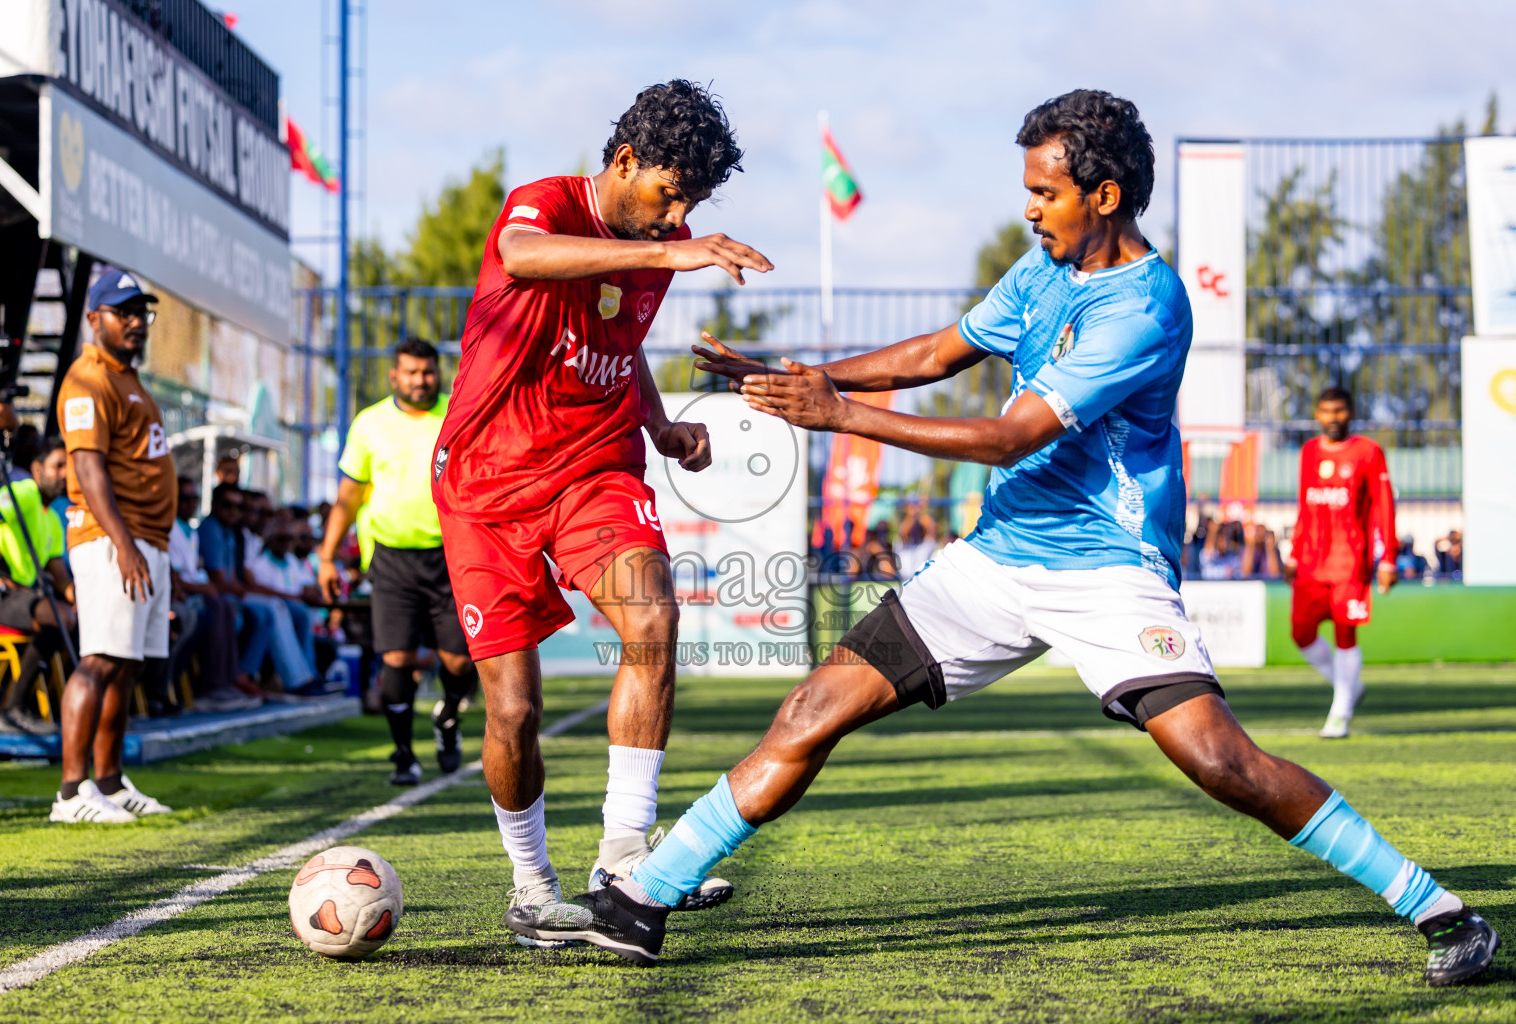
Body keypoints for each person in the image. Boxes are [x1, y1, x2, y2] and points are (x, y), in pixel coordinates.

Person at [506, 90, 1499, 987]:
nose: (1030, 209)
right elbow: (937, 353)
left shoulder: (1145, 306)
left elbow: (1011, 434)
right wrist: (799, 374)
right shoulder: (1043, 267)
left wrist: (837, 415)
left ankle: (1438, 908)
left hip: (1106, 574)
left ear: (1105, 196)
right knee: (812, 709)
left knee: (1221, 762)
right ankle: (641, 903)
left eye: (1045, 192)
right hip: (994, 561)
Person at [430, 80, 773, 933]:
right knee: (514, 708)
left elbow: (620, 338)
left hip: (594, 468)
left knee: (653, 620)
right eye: (668, 194)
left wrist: (659, 425)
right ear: (624, 161)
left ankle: (625, 857)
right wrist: (666, 257)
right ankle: (531, 884)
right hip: (486, 483)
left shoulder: (660, 238)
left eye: (691, 206)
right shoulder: (547, 204)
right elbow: (522, 255)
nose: (676, 219)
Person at [316, 338, 477, 785]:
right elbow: (347, 498)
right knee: (396, 659)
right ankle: (404, 755)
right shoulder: (369, 424)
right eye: (411, 372)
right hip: (390, 559)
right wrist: (327, 557)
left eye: (427, 372)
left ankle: (447, 716)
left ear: (438, 374)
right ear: (394, 376)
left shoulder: (459, 414)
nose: (420, 380)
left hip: (450, 556)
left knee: (460, 661)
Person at [49, 267, 176, 823]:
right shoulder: (88, 378)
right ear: (94, 318)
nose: (135, 322)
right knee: (99, 659)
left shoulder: (128, 378)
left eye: (141, 313)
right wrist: (124, 544)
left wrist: (150, 546)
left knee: (126, 665)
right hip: (110, 539)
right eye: (123, 313)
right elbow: (87, 468)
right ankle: (70, 793)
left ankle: (108, 781)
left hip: (146, 539)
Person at [1287, 387, 1397, 739]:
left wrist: (1388, 559)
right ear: (1317, 414)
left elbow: (1383, 506)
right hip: (1310, 562)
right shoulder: (1309, 451)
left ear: (1350, 412)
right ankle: (1348, 688)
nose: (1332, 417)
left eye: (1339, 410)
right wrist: (1294, 552)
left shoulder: (1368, 452)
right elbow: (1304, 505)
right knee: (1301, 633)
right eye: (1326, 411)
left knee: (1345, 634)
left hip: (1350, 561)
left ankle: (1340, 712)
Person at [0, 435, 75, 734]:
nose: (65, 474)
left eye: (69, 467)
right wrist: (1, 568)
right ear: (37, 470)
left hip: (18, 598)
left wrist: (81, 597)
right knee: (58, 616)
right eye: (58, 466)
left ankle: (57, 709)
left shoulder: (53, 519)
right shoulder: (24, 492)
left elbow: (59, 576)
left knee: (74, 616)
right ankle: (12, 710)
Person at [197, 483, 322, 698]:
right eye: (229, 506)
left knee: (295, 612)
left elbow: (234, 580)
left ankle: (303, 675)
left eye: (264, 512)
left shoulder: (235, 533)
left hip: (234, 594)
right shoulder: (214, 529)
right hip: (221, 596)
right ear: (214, 505)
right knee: (274, 609)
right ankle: (294, 680)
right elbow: (227, 581)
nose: (238, 512)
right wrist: (244, 589)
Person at [168, 475, 259, 712]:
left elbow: (199, 574)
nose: (191, 503)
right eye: (184, 498)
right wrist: (207, 587)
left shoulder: (191, 530)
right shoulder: (173, 527)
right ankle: (211, 687)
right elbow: (177, 579)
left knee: (226, 607)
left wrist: (207, 587)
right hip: (181, 596)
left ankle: (227, 682)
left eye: (194, 498)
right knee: (218, 606)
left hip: (196, 592)